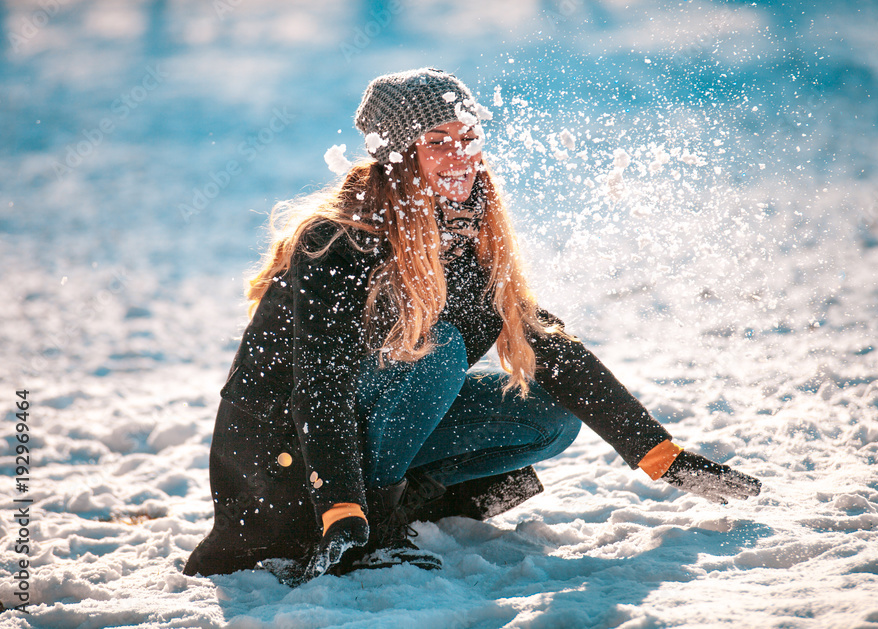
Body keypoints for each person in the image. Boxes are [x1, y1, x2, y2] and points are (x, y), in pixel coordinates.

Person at [182, 67, 761, 584]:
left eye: (467, 138)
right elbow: (321, 386)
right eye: (437, 142)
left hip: (357, 440)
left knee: (547, 413)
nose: (460, 154)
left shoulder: (463, 233)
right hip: (286, 467)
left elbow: (544, 343)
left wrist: (659, 454)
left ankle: (400, 503)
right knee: (436, 351)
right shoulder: (339, 241)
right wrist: (340, 505)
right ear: (397, 154)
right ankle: (370, 525)